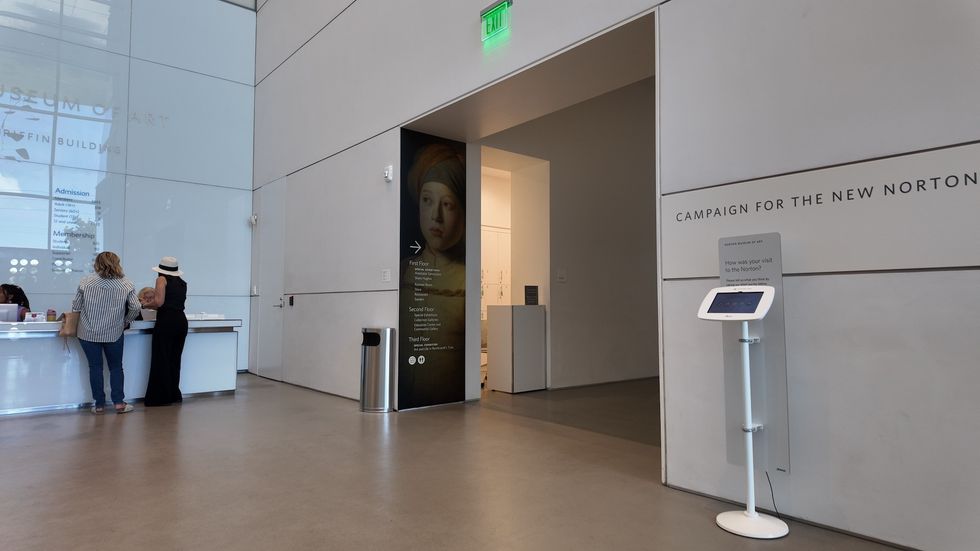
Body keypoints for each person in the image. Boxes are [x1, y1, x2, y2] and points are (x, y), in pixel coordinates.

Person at [398, 142, 466, 407]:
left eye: (447, 204)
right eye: (427, 200)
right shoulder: (404, 269)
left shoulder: (464, 279)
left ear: (462, 212)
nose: (435, 217)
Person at [72, 252, 141, 414]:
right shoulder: (126, 284)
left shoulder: (85, 281)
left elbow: (76, 305)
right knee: (116, 367)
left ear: (97, 263)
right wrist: (126, 321)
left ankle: (100, 405)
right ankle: (118, 403)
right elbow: (136, 307)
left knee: (95, 367)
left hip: (87, 332)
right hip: (114, 332)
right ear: (117, 263)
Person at [143, 256, 188, 407]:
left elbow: (160, 302)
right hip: (181, 321)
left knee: (161, 357)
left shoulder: (161, 279)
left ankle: (160, 397)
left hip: (167, 321)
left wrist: (144, 305)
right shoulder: (182, 283)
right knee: (174, 359)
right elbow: (171, 303)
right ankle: (174, 394)